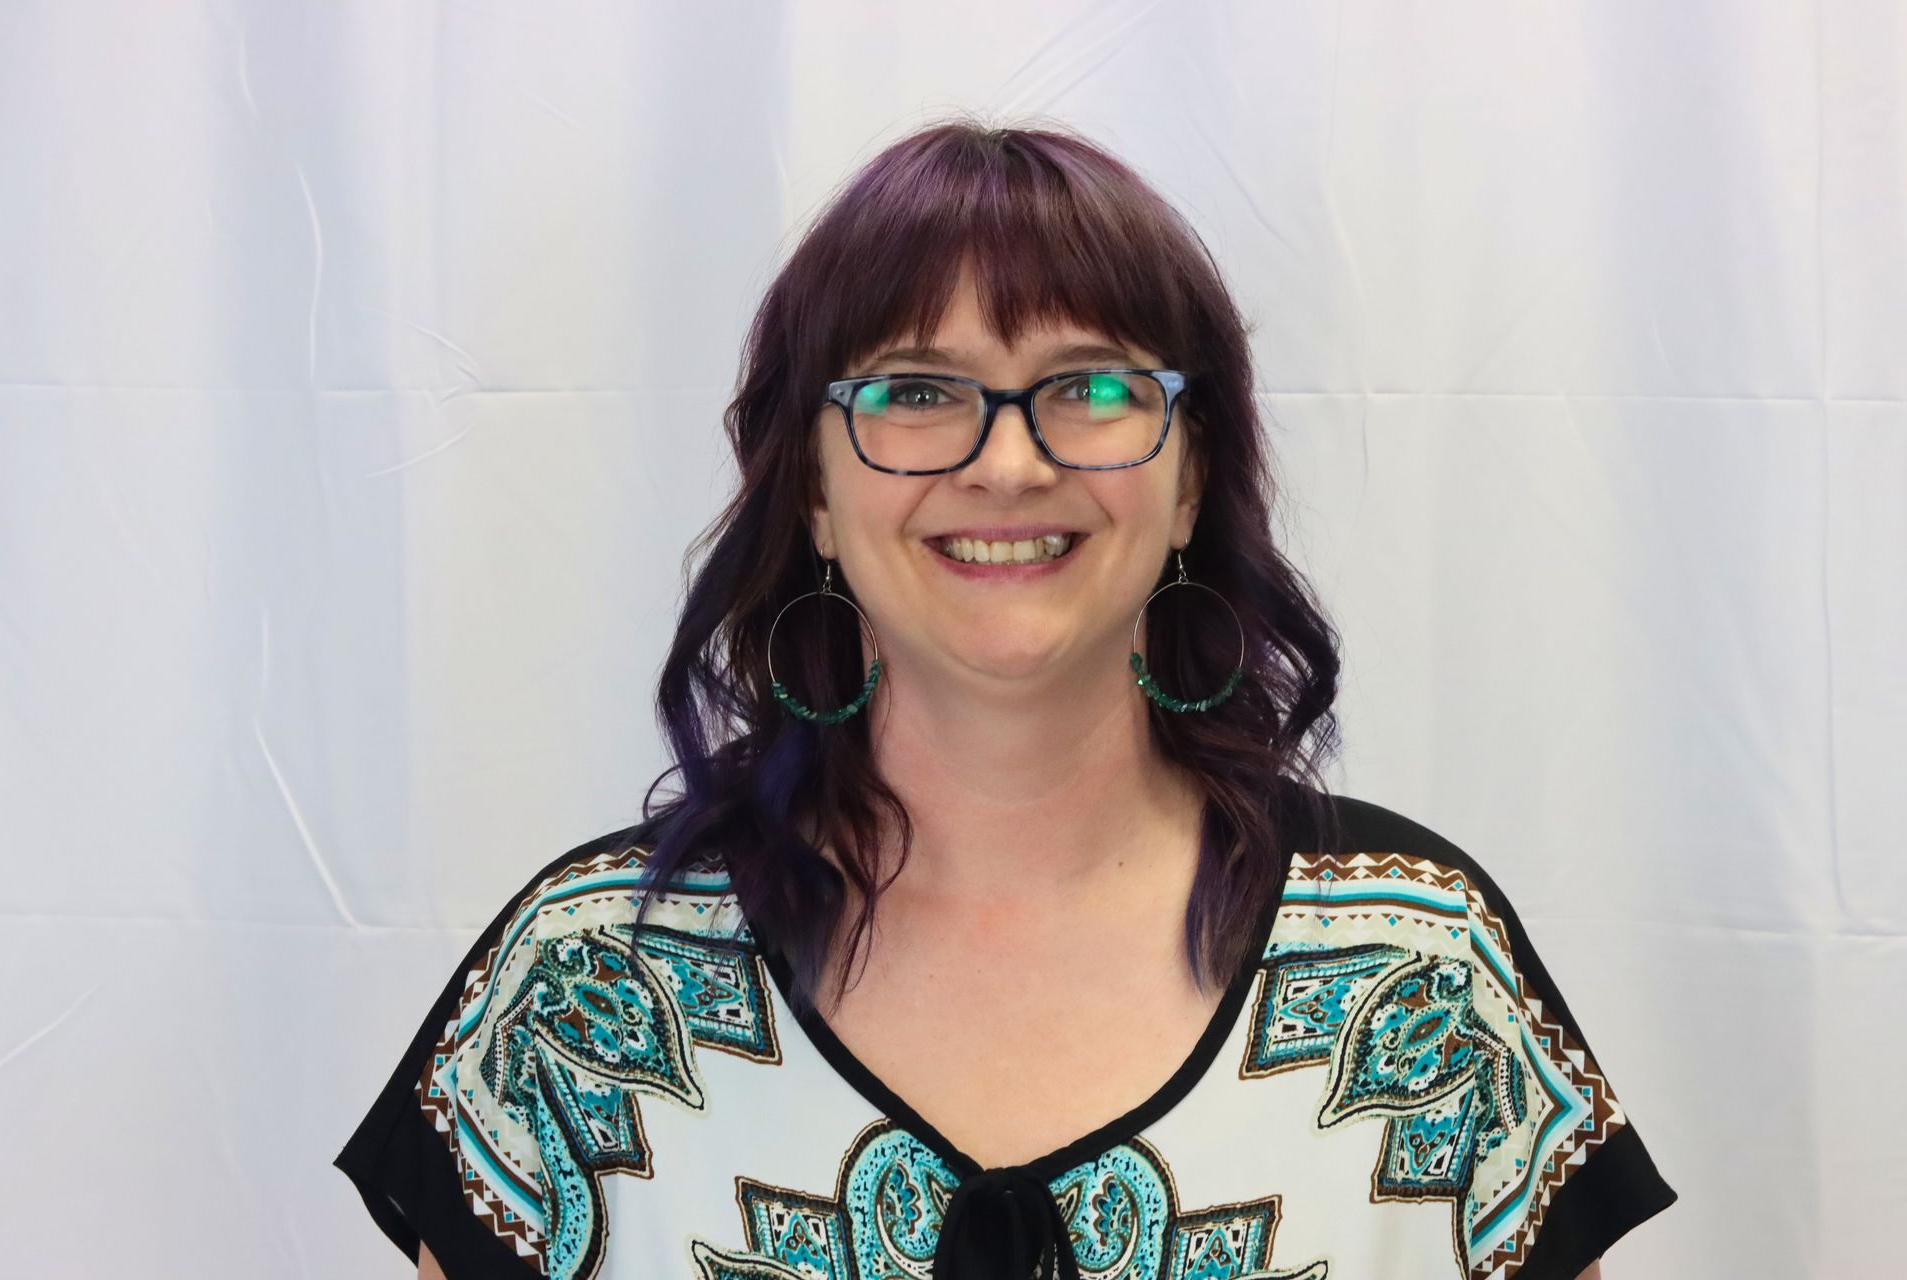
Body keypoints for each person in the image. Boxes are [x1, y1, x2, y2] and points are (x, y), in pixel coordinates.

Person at [335, 116, 1677, 1280]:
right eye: (919, 391)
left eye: (1090, 386)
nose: (1010, 464)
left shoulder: (1420, 979)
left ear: (1191, 476)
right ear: (809, 486)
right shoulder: (588, 990)